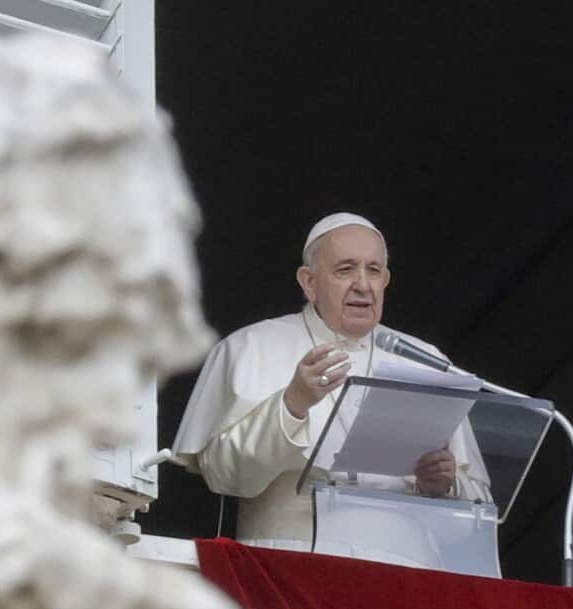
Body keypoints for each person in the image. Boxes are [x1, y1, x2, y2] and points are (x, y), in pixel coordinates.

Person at [173, 212, 490, 552]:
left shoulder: (427, 360)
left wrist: (445, 485)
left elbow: (479, 511)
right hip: (288, 561)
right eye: (345, 269)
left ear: (386, 280)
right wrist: (292, 404)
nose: (363, 284)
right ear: (309, 282)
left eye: (373, 270)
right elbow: (225, 476)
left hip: (404, 570)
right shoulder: (251, 346)